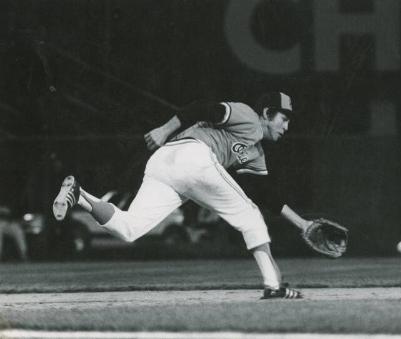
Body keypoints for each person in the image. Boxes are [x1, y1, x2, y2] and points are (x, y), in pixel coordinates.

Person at [53, 92, 313, 299]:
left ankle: (80, 194)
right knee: (250, 216)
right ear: (267, 113)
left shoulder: (256, 153)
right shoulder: (249, 117)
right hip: (192, 156)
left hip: (164, 163)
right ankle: (273, 285)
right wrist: (164, 130)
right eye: (284, 118)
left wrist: (302, 224)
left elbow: (267, 194)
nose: (287, 126)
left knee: (129, 229)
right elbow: (202, 106)